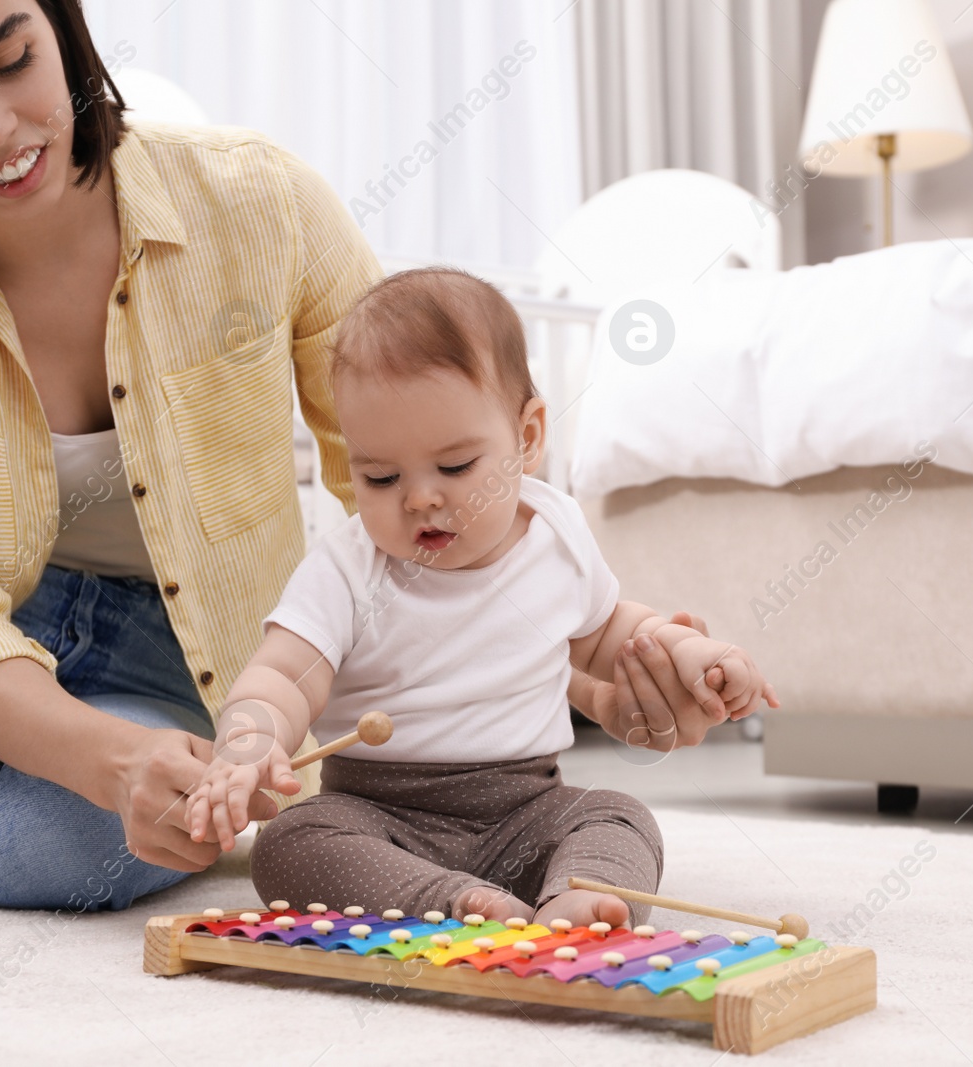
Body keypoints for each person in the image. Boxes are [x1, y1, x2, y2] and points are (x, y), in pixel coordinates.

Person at [0, 0, 714, 922]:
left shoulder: (256, 202)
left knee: (100, 848)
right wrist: (95, 755)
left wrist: (581, 668)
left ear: (59, 26)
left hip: (183, 664)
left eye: (11, 60)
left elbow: (409, 485)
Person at [184, 268, 778, 929]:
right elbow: (282, 674)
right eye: (380, 476)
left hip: (529, 809)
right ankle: (451, 900)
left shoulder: (556, 535)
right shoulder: (349, 567)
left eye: (455, 467)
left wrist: (692, 652)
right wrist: (249, 735)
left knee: (619, 814)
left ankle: (575, 899)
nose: (419, 497)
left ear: (527, 438)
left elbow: (612, 632)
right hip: (382, 818)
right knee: (291, 843)